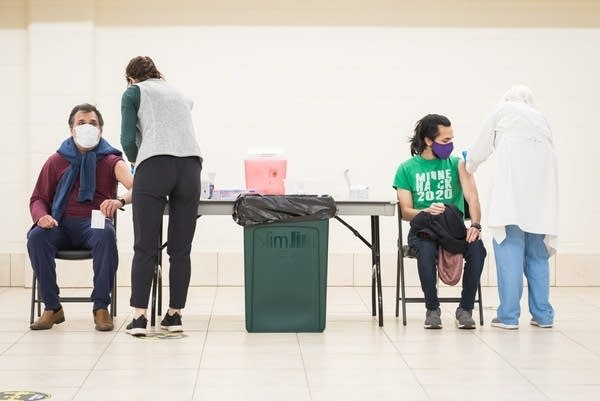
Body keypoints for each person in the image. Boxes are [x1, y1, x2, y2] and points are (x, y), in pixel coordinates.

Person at [28, 103, 133, 331]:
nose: (87, 127)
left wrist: (119, 200)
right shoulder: (56, 160)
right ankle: (52, 307)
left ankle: (100, 307)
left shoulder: (111, 160)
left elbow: (138, 187)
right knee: (37, 237)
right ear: (72, 129)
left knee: (105, 234)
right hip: (60, 222)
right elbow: (38, 198)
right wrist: (41, 216)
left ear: (101, 130)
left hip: (94, 221)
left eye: (93, 123)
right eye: (81, 123)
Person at [121, 56, 202, 336]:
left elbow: (127, 139)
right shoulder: (179, 94)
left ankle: (140, 318)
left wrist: (136, 161)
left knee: (145, 245)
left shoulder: (134, 92)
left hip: (154, 165)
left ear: (131, 78)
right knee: (181, 249)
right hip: (191, 167)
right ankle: (174, 315)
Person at [466, 85, 557, 329]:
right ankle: (543, 315)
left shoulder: (503, 110)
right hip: (540, 202)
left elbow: (480, 147)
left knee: (509, 253)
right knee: (537, 256)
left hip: (510, 200)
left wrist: (469, 165)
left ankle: (508, 316)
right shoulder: (541, 119)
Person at [393, 114, 487, 329]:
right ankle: (432, 309)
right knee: (425, 250)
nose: (450, 145)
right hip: (423, 229)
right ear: (428, 140)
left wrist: (475, 225)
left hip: (453, 229)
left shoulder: (458, 164)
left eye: (451, 139)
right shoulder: (406, 169)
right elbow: (406, 212)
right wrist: (425, 210)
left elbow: (473, 197)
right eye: (445, 141)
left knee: (477, 249)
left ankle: (465, 309)